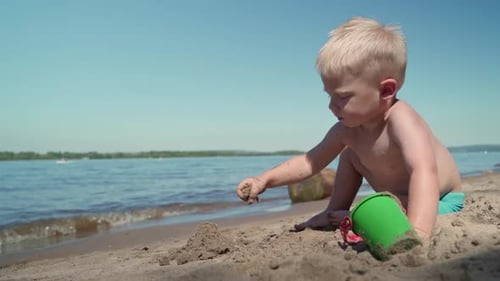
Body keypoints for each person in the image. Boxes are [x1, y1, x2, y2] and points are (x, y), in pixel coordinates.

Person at [236, 17, 464, 240]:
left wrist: (419, 233)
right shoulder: (346, 129)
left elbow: (423, 171)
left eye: (343, 97)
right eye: (329, 96)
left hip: (439, 200)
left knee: (374, 217)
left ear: (385, 91)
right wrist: (264, 179)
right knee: (350, 154)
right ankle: (333, 211)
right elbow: (310, 161)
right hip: (398, 200)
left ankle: (355, 216)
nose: (331, 106)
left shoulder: (402, 119)